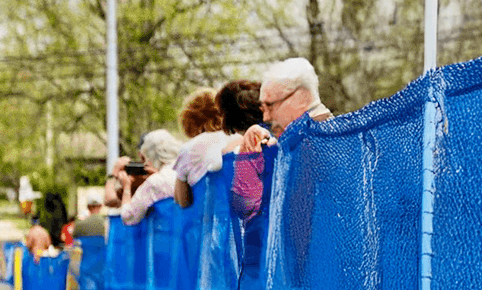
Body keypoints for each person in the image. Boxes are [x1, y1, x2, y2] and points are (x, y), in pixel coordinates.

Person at [175, 80, 263, 208]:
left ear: (189, 119)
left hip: (207, 215)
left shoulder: (188, 148)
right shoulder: (241, 138)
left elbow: (182, 201)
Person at [241, 57, 333, 151]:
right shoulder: (318, 134)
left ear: (300, 98)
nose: (266, 117)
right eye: (264, 109)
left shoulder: (317, 143)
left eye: (270, 105)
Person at [116, 130, 183, 226]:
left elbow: (128, 217)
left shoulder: (155, 182)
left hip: (164, 232)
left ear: (150, 156)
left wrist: (126, 186)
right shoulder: (185, 171)